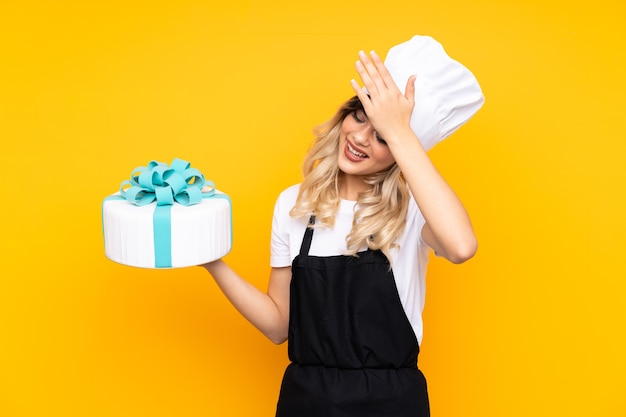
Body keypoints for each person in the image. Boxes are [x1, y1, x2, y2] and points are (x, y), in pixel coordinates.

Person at [202, 35, 484, 417]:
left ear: (402, 148)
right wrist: (211, 261)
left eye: (383, 136)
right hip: (306, 401)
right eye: (360, 115)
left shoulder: (416, 208)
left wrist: (401, 131)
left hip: (391, 404)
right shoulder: (294, 204)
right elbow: (277, 326)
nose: (359, 138)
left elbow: (462, 246)